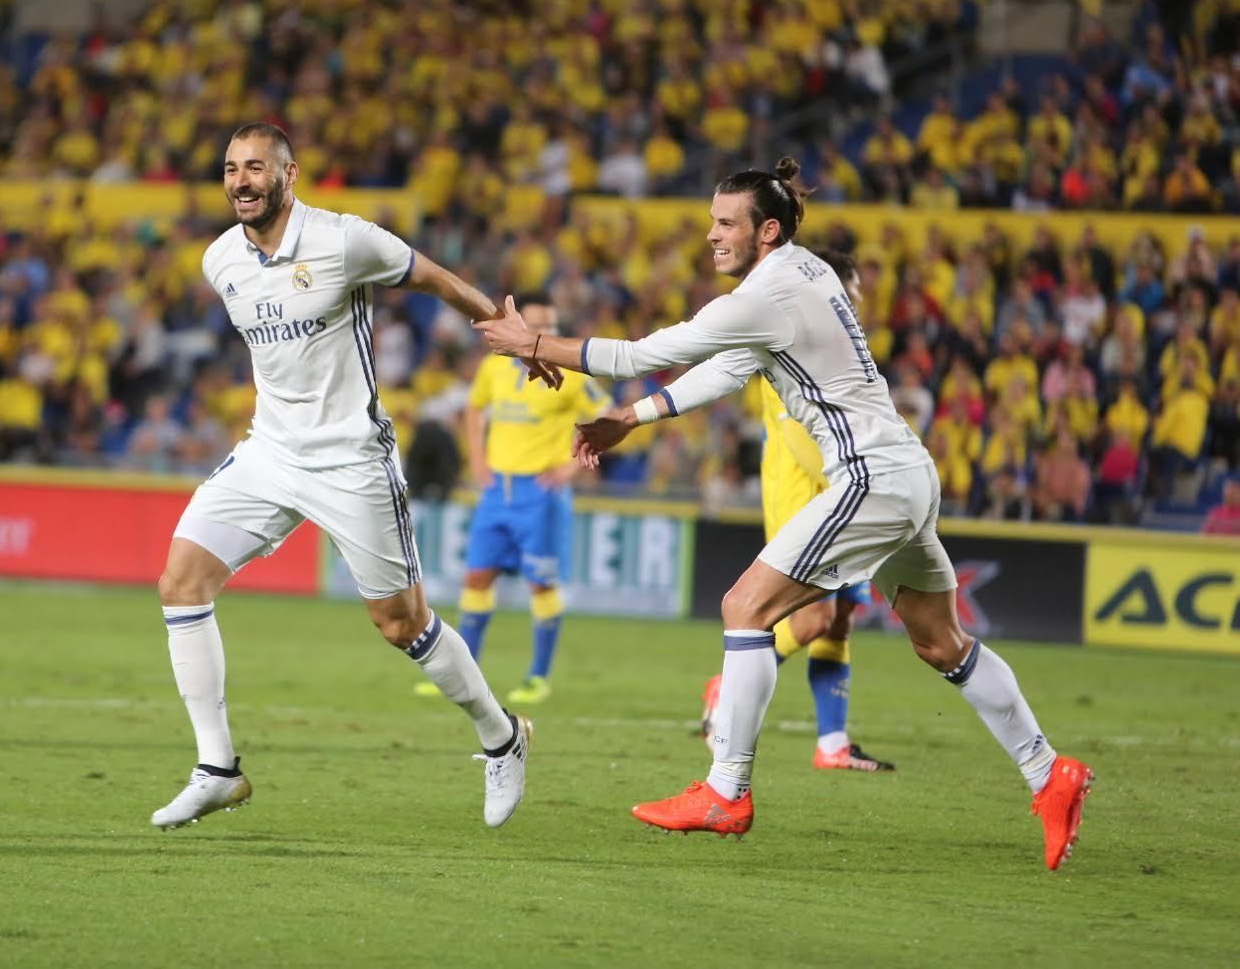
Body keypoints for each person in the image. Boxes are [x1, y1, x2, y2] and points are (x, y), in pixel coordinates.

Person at [476, 157, 1094, 870]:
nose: (709, 235)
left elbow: (643, 351)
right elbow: (729, 368)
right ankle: (1049, 774)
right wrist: (632, 419)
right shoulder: (806, 273)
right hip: (905, 470)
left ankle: (725, 789)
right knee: (939, 640)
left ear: (766, 230)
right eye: (711, 220)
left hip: (868, 476)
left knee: (744, 606)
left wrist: (530, 343)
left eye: (724, 223)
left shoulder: (762, 293)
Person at [151, 123, 558, 832]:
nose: (240, 181)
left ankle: (502, 736)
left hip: (351, 459)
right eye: (229, 169)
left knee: (402, 623)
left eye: (255, 168)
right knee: (180, 583)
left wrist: (508, 332)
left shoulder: (344, 240)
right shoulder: (221, 260)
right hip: (269, 453)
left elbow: (433, 278)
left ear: (289, 174)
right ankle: (217, 768)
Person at [700, 250, 894, 773]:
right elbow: (802, 435)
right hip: (804, 497)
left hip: (841, 492)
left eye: (853, 294)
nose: (853, 301)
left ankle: (832, 741)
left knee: (841, 620)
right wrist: (862, 479)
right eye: (847, 291)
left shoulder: (839, 347)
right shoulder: (793, 344)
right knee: (812, 619)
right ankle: (727, 685)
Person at [414, 293, 608, 705]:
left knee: (542, 585)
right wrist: (478, 459)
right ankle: (461, 676)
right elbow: (474, 409)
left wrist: (571, 468)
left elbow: (608, 420)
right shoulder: (494, 367)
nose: (546, 332)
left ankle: (538, 676)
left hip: (541, 493)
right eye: (538, 323)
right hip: (496, 491)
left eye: (552, 325)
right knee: (476, 579)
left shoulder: (573, 373)